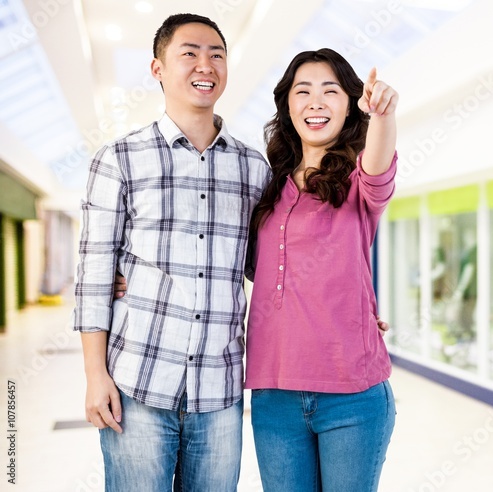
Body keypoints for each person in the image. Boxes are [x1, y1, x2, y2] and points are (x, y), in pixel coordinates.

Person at [72, 13, 271, 491]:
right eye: (190, 53)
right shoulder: (119, 158)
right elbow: (95, 271)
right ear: (158, 69)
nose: (206, 64)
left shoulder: (253, 167)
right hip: (137, 382)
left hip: (220, 388)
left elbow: (266, 269)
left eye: (217, 54)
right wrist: (95, 376)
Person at [244, 48, 398, 491]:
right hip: (273, 396)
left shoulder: (357, 179)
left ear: (350, 104)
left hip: (351, 395)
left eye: (331, 91)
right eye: (303, 90)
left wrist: (384, 115)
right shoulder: (267, 187)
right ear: (287, 105)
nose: (316, 101)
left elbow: (379, 167)